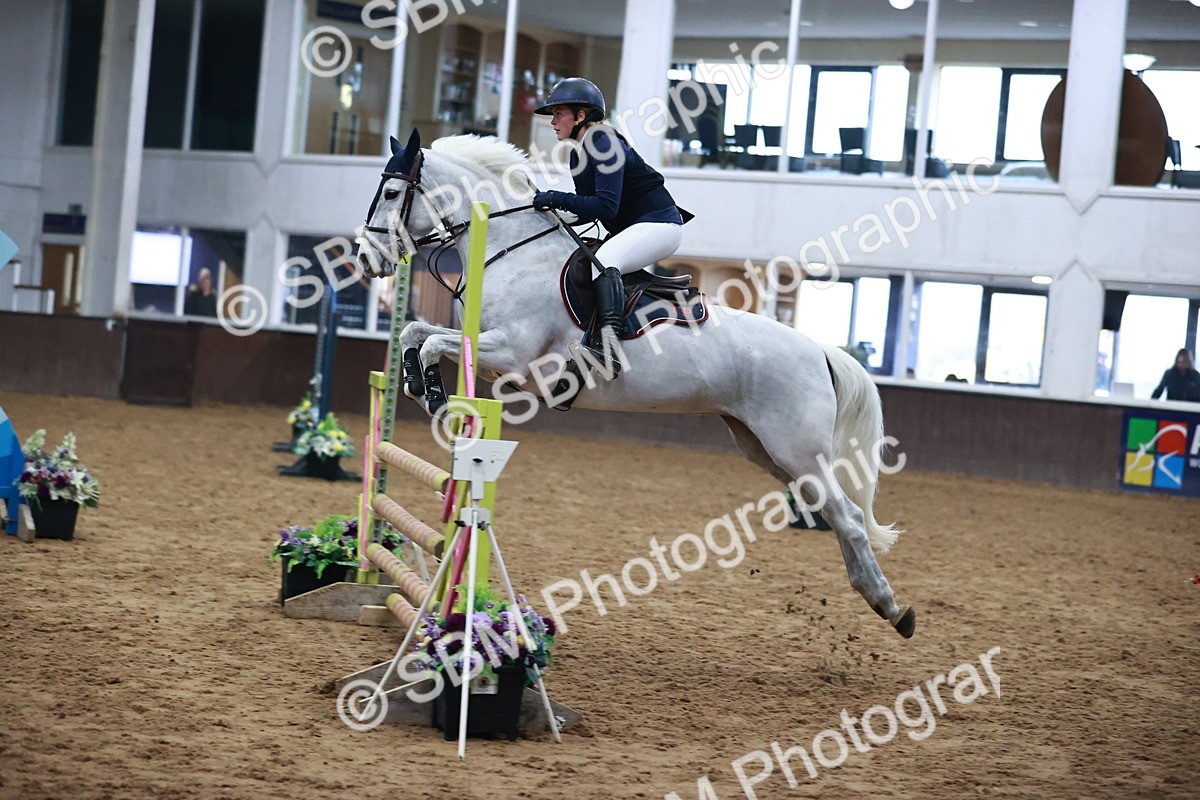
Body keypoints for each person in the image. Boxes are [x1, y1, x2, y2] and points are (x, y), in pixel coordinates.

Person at [532, 77, 688, 378]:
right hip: (637, 226)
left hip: (661, 225)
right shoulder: (579, 154)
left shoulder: (604, 142)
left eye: (558, 113)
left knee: (604, 261)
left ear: (581, 116)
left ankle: (609, 348)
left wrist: (555, 197)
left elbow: (605, 207)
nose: (553, 121)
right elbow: (585, 207)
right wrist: (547, 215)